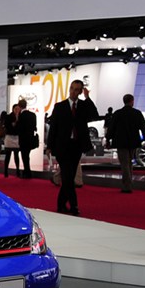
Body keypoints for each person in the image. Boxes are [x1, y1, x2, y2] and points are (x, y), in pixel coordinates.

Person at [46, 79, 99, 215]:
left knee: (69, 176)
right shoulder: (60, 106)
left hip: (76, 146)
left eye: (76, 90)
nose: (73, 92)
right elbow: (54, 127)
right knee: (68, 177)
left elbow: (95, 115)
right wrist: (49, 146)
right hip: (62, 146)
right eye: (72, 88)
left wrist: (88, 97)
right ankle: (74, 206)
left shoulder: (83, 106)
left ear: (80, 91)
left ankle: (61, 205)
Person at [105, 94, 145, 193]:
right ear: (132, 101)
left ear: (124, 101)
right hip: (133, 141)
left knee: (124, 163)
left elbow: (111, 128)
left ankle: (127, 186)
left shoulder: (118, 113)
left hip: (121, 141)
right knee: (129, 162)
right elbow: (143, 128)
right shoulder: (137, 113)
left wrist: (108, 140)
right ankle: (129, 183)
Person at [16, 98, 37, 179]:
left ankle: (27, 172)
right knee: (27, 156)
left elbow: (19, 128)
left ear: (19, 106)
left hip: (23, 139)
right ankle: (27, 171)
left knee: (24, 156)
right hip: (31, 138)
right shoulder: (33, 115)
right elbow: (34, 127)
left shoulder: (21, 116)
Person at [3, 104, 21, 177]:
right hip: (9, 137)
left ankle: (18, 171)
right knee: (8, 155)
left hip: (17, 137)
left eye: (18, 109)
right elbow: (7, 126)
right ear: (13, 109)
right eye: (16, 109)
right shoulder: (8, 116)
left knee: (16, 155)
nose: (17, 110)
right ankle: (5, 171)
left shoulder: (21, 117)